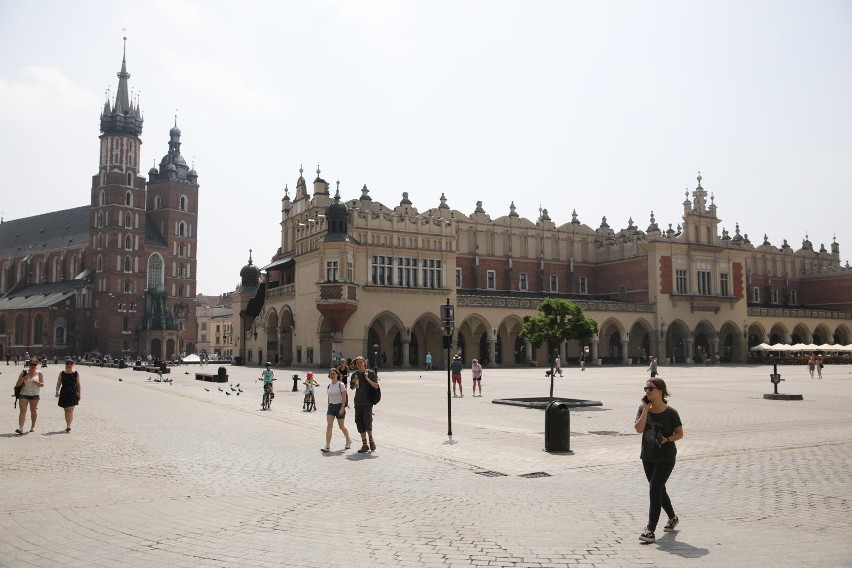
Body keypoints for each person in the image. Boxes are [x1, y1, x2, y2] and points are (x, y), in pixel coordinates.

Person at [634, 377, 684, 544]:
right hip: (648, 455)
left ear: (661, 391)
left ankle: (650, 530)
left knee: (654, 488)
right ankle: (672, 517)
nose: (647, 391)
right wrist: (646, 411)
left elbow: (680, 433)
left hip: (666, 456)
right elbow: (638, 429)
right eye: (646, 388)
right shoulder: (643, 409)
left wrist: (667, 439)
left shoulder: (671, 413)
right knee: (659, 489)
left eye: (651, 388)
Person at [350, 356, 379, 453]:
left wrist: (367, 379)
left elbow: (376, 385)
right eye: (357, 363)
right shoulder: (354, 374)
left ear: (364, 363)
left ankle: (371, 440)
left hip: (368, 402)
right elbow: (353, 387)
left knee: (367, 421)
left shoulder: (370, 373)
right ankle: (364, 444)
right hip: (358, 401)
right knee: (359, 422)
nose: (359, 364)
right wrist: (355, 382)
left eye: (360, 362)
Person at [321, 367, 352, 452]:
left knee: (341, 426)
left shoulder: (340, 384)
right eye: (330, 374)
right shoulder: (329, 386)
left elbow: (344, 398)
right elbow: (329, 397)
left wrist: (342, 408)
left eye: (333, 374)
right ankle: (327, 445)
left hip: (339, 406)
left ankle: (348, 440)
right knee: (329, 425)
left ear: (337, 375)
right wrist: (328, 406)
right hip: (331, 407)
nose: (332, 375)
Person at [15, 359, 44, 434]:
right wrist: (24, 378)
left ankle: (33, 425)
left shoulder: (39, 373)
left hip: (35, 394)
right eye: (32, 364)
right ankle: (21, 428)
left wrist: (37, 383)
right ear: (29, 365)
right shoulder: (24, 373)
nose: (33, 366)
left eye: (35, 365)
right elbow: (17, 384)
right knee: (22, 411)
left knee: (33, 410)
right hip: (23, 394)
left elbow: (42, 384)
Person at [55, 358, 81, 433]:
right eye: (67, 363)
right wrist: (57, 391)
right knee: (66, 410)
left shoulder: (76, 373)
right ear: (65, 365)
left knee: (70, 410)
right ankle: (67, 423)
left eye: (71, 363)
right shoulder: (62, 373)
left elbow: (78, 384)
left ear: (73, 364)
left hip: (73, 392)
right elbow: (58, 383)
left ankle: (69, 425)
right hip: (64, 392)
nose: (69, 365)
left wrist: (79, 393)